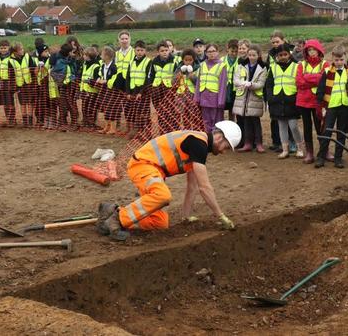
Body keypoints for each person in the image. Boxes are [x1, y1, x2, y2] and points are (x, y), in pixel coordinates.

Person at [96, 120, 241, 241]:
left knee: (160, 223)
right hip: (143, 165)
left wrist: (186, 216)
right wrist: (220, 215)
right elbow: (205, 187)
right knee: (163, 195)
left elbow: (193, 187)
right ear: (220, 138)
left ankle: (113, 211)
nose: (223, 151)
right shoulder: (199, 144)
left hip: (152, 170)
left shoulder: (198, 146)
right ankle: (117, 220)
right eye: (226, 147)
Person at [315, 46, 348, 168]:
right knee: (326, 131)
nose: (339, 62)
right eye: (336, 60)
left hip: (345, 107)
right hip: (331, 107)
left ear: (345, 58)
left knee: (341, 133)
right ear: (332, 58)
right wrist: (321, 105)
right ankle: (321, 157)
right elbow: (320, 90)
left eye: (341, 59)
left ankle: (338, 158)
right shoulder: (327, 72)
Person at [266, 43, 303, 159]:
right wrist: (270, 98)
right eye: (280, 55)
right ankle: (285, 149)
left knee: (293, 126)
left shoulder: (296, 66)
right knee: (281, 126)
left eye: (285, 54)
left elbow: (299, 84)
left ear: (289, 54)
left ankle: (300, 148)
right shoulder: (273, 68)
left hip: (291, 101)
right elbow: (269, 84)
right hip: (277, 101)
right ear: (277, 56)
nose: (283, 57)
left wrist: (298, 98)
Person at [296, 39, 329, 164]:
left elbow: (324, 80)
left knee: (320, 126)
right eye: (309, 50)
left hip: (318, 101)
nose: (312, 52)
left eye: (314, 49)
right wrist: (316, 79)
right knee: (307, 126)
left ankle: (324, 151)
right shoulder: (301, 65)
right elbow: (299, 82)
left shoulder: (325, 64)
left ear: (319, 50)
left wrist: (307, 78)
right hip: (304, 101)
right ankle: (309, 152)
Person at [233, 44, 267, 153]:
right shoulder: (241, 66)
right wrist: (243, 83)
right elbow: (236, 80)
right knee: (246, 121)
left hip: (255, 98)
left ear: (258, 55)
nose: (251, 57)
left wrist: (251, 84)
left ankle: (259, 144)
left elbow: (261, 83)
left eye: (254, 55)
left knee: (255, 121)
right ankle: (247, 143)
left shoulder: (263, 68)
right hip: (243, 98)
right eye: (250, 55)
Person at [195, 44, 228, 132]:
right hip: (204, 98)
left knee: (217, 123)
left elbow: (222, 86)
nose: (211, 53)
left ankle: (216, 142)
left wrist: (221, 101)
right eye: (209, 52)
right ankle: (208, 141)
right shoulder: (202, 65)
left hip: (215, 99)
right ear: (206, 53)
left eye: (213, 51)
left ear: (217, 52)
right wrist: (197, 97)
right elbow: (198, 82)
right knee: (206, 122)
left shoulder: (222, 66)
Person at [148, 41, 178, 133]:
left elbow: (177, 76)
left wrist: (175, 89)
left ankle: (172, 131)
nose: (164, 52)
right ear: (158, 52)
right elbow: (151, 76)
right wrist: (151, 88)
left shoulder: (174, 61)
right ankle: (162, 131)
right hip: (157, 90)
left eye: (166, 50)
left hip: (169, 90)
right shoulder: (154, 62)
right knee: (160, 112)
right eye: (162, 51)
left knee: (171, 112)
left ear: (169, 50)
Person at [123, 40, 151, 137]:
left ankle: (146, 132)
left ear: (145, 51)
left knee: (144, 112)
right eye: (138, 50)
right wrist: (128, 92)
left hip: (143, 92)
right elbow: (128, 77)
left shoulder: (148, 62)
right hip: (132, 90)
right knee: (134, 111)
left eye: (141, 50)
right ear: (134, 50)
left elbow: (148, 78)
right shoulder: (131, 62)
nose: (139, 52)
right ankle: (137, 131)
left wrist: (141, 92)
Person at [50, 43, 78, 130]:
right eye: (72, 52)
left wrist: (72, 79)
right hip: (62, 86)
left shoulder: (71, 60)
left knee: (71, 104)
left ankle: (74, 122)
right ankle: (62, 122)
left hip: (71, 85)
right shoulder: (59, 62)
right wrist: (61, 82)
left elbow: (74, 71)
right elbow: (53, 73)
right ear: (68, 52)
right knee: (63, 104)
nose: (73, 53)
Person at [10, 41, 37, 127]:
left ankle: (30, 119)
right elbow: (11, 75)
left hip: (29, 83)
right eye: (20, 49)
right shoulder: (11, 61)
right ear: (15, 52)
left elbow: (33, 69)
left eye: (22, 49)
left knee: (30, 102)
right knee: (23, 103)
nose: (22, 50)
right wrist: (15, 87)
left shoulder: (27, 56)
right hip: (19, 85)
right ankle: (24, 119)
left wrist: (34, 82)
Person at [98, 46, 121, 134]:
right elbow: (102, 76)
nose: (100, 56)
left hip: (113, 91)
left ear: (107, 56)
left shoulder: (114, 67)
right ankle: (106, 127)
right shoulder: (103, 65)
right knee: (106, 109)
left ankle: (113, 128)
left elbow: (115, 79)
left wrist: (106, 81)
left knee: (112, 109)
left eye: (102, 54)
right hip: (105, 91)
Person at [0, 40, 16, 126]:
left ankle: (12, 119)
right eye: (1, 48)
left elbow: (14, 71)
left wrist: (14, 84)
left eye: (5, 48)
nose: (3, 50)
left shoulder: (11, 58)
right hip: (0, 82)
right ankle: (8, 119)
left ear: (8, 48)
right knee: (4, 102)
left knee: (10, 101)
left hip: (9, 82)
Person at [79, 46, 102, 129]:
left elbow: (97, 79)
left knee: (92, 108)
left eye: (85, 55)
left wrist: (89, 81)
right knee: (84, 107)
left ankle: (92, 123)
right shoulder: (85, 65)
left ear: (89, 56)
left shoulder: (96, 66)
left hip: (92, 91)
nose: (83, 56)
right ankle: (85, 121)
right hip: (84, 90)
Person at [175, 49, 198, 128]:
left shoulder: (197, 68)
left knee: (194, 115)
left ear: (193, 60)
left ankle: (195, 130)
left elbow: (199, 83)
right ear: (183, 60)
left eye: (190, 60)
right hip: (181, 95)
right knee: (183, 114)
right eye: (186, 60)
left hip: (192, 95)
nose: (188, 62)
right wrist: (177, 78)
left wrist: (192, 77)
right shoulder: (179, 69)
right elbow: (173, 82)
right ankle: (186, 129)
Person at [223, 39, 240, 121]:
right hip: (224, 89)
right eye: (232, 51)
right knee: (221, 110)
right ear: (227, 49)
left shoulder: (240, 61)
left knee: (232, 111)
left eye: (236, 51)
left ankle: (231, 129)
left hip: (234, 90)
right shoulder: (222, 60)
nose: (234, 53)